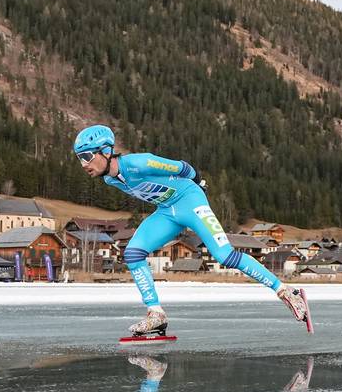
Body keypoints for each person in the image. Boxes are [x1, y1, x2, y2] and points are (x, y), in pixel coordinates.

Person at [73, 124, 308, 335]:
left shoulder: (138, 163)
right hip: (166, 211)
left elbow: (183, 168)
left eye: (86, 156)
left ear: (105, 151)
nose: (83, 164)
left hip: (190, 201)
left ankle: (287, 292)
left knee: (223, 255)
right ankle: (156, 314)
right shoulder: (110, 179)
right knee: (133, 253)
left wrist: (199, 185)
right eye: (79, 158)